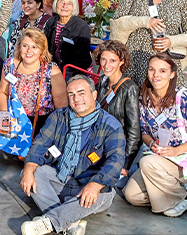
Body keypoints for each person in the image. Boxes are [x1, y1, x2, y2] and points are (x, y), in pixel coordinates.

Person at [19, 74, 126, 235]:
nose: (76, 98)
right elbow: (40, 144)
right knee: (34, 173)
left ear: (94, 94)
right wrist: (28, 169)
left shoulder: (111, 125)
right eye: (71, 94)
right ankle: (71, 221)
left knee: (106, 193)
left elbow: (115, 161)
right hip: (61, 178)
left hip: (89, 184)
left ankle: (50, 222)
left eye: (82, 93)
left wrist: (95, 185)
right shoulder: (58, 116)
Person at [123, 52, 187, 217]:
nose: (156, 75)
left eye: (162, 71)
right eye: (152, 70)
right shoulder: (145, 99)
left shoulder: (185, 98)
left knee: (147, 162)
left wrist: (177, 150)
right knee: (132, 195)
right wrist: (151, 144)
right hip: (161, 159)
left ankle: (180, 198)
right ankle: (177, 189)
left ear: (172, 74)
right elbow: (144, 132)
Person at [0, 29, 67, 139]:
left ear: (42, 50)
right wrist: (4, 114)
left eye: (34, 47)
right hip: (15, 116)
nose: (29, 51)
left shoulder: (52, 72)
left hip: (40, 122)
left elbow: (61, 109)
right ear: (19, 47)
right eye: (25, 45)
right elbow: (2, 92)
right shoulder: (9, 65)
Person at [94, 41, 142, 177]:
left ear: (122, 61)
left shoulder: (130, 88)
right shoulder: (103, 80)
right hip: (99, 143)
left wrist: (125, 164)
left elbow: (134, 130)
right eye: (103, 59)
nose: (107, 65)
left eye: (112, 61)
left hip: (117, 148)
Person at [44, 0, 93, 73]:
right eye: (61, 2)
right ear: (56, 4)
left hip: (75, 69)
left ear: (74, 7)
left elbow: (81, 58)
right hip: (54, 67)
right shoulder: (51, 22)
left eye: (69, 3)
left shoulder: (82, 26)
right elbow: (45, 47)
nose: (64, 6)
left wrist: (62, 72)